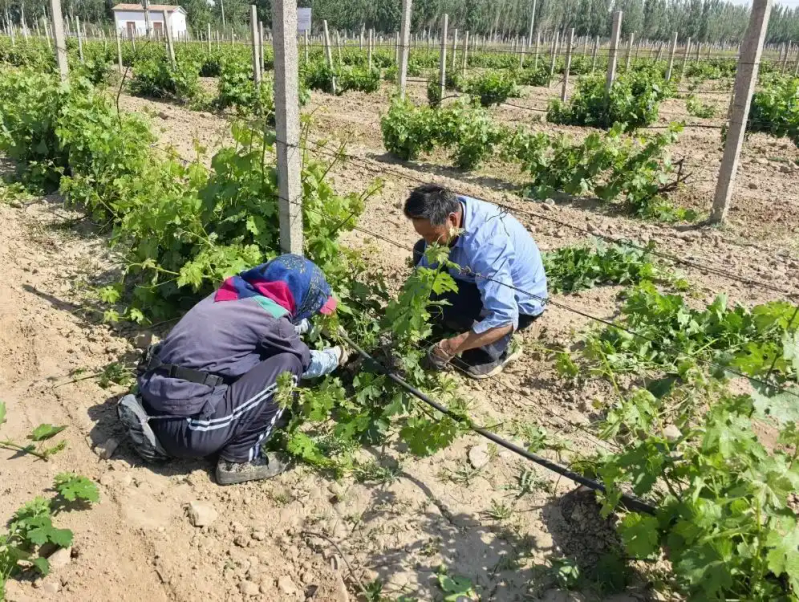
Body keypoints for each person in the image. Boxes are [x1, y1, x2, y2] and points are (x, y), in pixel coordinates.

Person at [117, 254, 344, 485]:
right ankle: (239, 460)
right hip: (186, 431)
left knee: (259, 358)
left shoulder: (232, 292)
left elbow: (267, 328)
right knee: (289, 364)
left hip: (150, 404)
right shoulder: (272, 322)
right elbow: (307, 362)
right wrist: (338, 356)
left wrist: (297, 325)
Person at [404, 184, 548, 379]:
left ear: (452, 220)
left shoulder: (487, 244)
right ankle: (461, 326)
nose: (430, 242)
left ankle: (500, 347)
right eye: (424, 235)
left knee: (466, 357)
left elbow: (505, 316)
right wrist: (403, 313)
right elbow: (423, 273)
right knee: (422, 251)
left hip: (517, 304)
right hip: (475, 277)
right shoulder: (452, 211)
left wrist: (449, 347)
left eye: (432, 235)